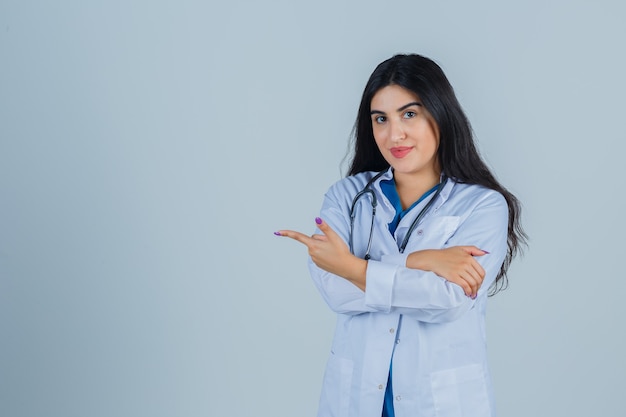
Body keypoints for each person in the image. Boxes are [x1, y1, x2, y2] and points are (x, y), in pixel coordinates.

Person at [275, 53, 526, 417]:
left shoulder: (483, 205)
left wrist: (351, 267)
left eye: (409, 114)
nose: (394, 134)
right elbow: (334, 288)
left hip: (441, 403)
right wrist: (418, 261)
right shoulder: (347, 196)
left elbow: (448, 299)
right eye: (381, 119)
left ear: (440, 114)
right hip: (355, 400)